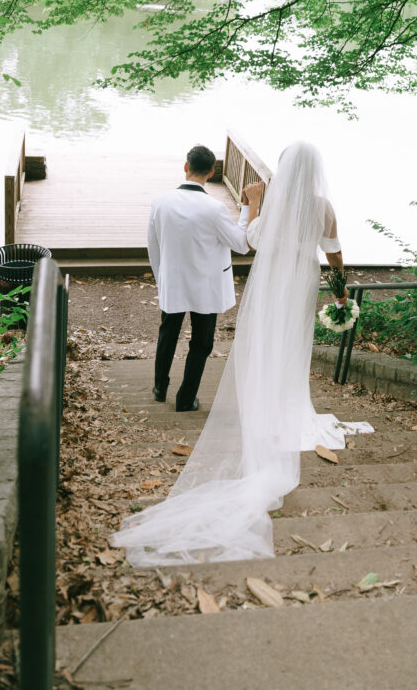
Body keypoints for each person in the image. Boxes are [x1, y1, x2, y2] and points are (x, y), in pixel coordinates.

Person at [110, 141, 373, 566]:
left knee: (267, 341)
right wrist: (342, 298)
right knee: (293, 347)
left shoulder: (275, 205)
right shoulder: (324, 207)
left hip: (271, 286)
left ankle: (262, 408)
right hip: (302, 282)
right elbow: (335, 255)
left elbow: (249, 239)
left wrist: (251, 204)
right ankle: (287, 406)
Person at [147, 144, 263, 411]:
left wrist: (160, 278)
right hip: (206, 286)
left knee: (168, 334)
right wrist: (249, 205)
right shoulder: (215, 209)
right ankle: (186, 399)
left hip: (173, 281)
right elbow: (242, 245)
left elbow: (152, 245)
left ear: (186, 166)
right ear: (211, 173)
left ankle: (159, 388)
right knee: (201, 343)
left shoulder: (159, 202)